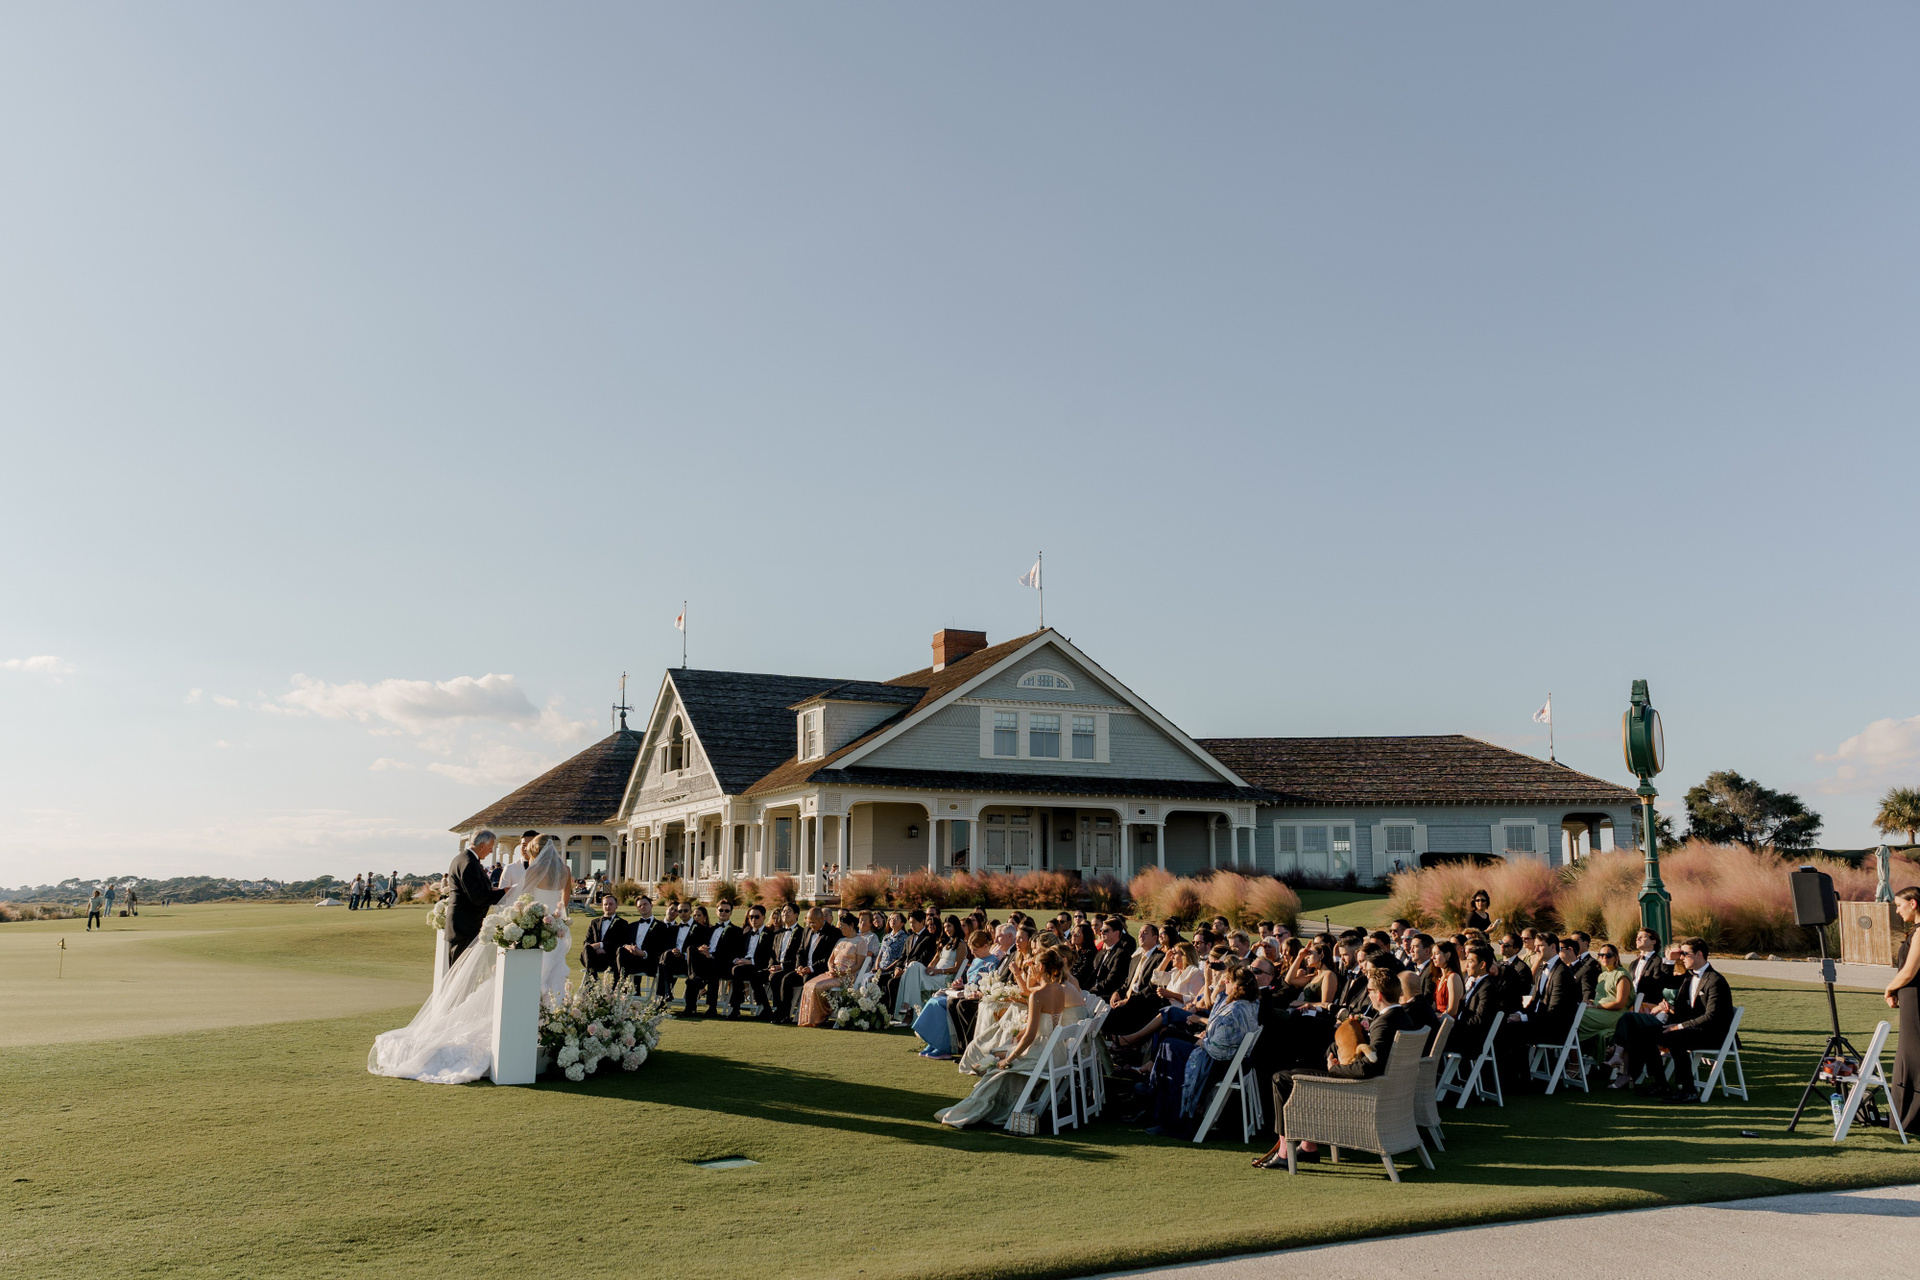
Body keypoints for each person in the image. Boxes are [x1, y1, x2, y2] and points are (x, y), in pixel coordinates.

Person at [369, 835, 570, 1083]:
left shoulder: (534, 871)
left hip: (535, 931)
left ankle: (525, 1026)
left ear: (536, 851)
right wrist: (556, 920)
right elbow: (563, 903)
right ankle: (548, 1027)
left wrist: (508, 910)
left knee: (529, 981)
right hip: (554, 934)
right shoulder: (565, 871)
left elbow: (520, 899)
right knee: (550, 980)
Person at [1255, 969, 1410, 1168]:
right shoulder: (1402, 1017)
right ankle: (1308, 1147)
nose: (1368, 994)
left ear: (1379, 995)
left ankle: (1284, 1153)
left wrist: (1334, 1069)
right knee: (1298, 1070)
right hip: (1380, 1088)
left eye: (1369, 990)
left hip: (1359, 1088)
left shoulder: (1384, 1023)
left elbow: (1369, 1068)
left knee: (1281, 1078)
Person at [936, 950, 1091, 1129]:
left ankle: (979, 1110)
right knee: (1000, 1057)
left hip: (1042, 1052)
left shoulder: (1038, 995)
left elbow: (1031, 1036)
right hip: (1057, 1052)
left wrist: (1009, 1059)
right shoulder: (1059, 989)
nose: (1030, 969)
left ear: (1041, 967)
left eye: (1033, 965)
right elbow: (1047, 1022)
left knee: (998, 1069)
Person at [1613, 937, 1733, 1103]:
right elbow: (1665, 982)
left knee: (1675, 1037)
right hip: (1688, 1029)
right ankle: (1660, 1083)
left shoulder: (1715, 980)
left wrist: (1680, 1026)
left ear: (1699, 954)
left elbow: (1712, 1016)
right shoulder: (1688, 976)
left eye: (1685, 954)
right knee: (1644, 1032)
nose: (1681, 957)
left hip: (1711, 1033)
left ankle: (1689, 1091)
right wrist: (1669, 960)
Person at [1495, 931, 1580, 1093]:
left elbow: (1554, 1010)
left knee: (1512, 1030)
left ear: (1553, 947)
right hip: (1542, 1022)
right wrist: (1519, 1014)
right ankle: (1509, 1078)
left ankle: (1520, 1081)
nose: (1535, 950)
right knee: (1505, 1024)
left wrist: (1523, 1018)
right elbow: (1534, 1002)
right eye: (1535, 946)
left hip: (1556, 1028)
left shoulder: (1562, 972)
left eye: (1540, 946)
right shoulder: (1544, 969)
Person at [913, 930, 998, 1059]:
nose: (972, 952)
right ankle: (934, 1042)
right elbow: (970, 981)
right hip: (965, 992)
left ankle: (945, 1046)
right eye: (971, 949)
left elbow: (988, 985)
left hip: (975, 996)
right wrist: (961, 985)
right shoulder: (976, 960)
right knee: (934, 1001)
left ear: (985, 946)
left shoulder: (993, 963)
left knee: (940, 1005)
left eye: (975, 949)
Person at [1884, 887, 1920, 1133]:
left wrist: (1889, 988)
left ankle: (1909, 1119)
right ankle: (1904, 1117)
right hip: (1911, 998)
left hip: (1916, 999)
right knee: (1909, 1054)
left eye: (1899, 905)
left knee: (1913, 1056)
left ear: (1913, 903)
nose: (1897, 910)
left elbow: (1909, 971)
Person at [797, 911, 873, 1027]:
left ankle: (821, 1016)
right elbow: (830, 960)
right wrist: (831, 968)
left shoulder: (860, 942)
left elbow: (858, 965)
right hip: (832, 973)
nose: (840, 928)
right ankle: (809, 1018)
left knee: (817, 986)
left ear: (851, 925)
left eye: (843, 925)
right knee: (808, 984)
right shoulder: (841, 940)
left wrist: (842, 973)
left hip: (847, 976)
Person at [442, 830, 506, 964]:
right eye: (490, 847)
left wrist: (492, 890)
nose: (491, 851)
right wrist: (504, 892)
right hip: (465, 926)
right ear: (482, 846)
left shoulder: (462, 858)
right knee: (460, 970)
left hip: (462, 924)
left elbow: (471, 889)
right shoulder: (469, 863)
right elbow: (478, 898)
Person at [773, 908, 842, 1024]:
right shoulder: (807, 931)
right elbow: (800, 951)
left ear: (822, 919)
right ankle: (784, 1015)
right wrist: (799, 966)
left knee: (807, 979)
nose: (810, 925)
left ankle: (810, 1017)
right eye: (809, 922)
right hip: (805, 969)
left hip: (820, 971)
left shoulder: (833, 933)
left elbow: (828, 958)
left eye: (813, 922)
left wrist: (811, 968)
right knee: (786, 979)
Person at [894, 915, 964, 1019]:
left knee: (913, 972)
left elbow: (956, 968)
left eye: (949, 926)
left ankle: (908, 1009)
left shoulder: (960, 944)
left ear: (955, 926)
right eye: (945, 927)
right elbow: (934, 961)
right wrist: (930, 968)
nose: (946, 929)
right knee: (913, 965)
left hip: (944, 978)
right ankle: (908, 1007)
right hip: (935, 974)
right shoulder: (945, 943)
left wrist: (937, 971)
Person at [684, 901, 743, 1016]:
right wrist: (702, 949)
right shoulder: (710, 929)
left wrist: (711, 956)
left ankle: (712, 1008)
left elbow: (734, 953)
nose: (723, 912)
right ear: (716, 911)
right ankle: (690, 1007)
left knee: (712, 969)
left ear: (731, 913)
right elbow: (703, 944)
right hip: (705, 961)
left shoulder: (736, 930)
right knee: (691, 949)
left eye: (726, 910)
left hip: (722, 963)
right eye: (721, 910)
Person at [726, 904, 777, 1017]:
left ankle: (736, 1007)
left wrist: (752, 961)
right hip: (745, 966)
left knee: (739, 971)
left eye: (756, 917)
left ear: (763, 917)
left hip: (760, 966)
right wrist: (737, 959)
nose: (753, 919)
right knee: (736, 969)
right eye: (751, 917)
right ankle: (765, 1008)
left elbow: (769, 956)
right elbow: (739, 951)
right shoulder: (746, 934)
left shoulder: (770, 935)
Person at [614, 895, 666, 988]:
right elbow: (624, 942)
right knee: (621, 950)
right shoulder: (631, 926)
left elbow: (661, 947)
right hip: (632, 961)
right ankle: (621, 986)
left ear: (651, 905)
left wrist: (643, 953)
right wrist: (627, 946)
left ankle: (624, 989)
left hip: (648, 962)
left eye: (645, 904)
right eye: (639, 906)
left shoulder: (661, 926)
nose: (642, 907)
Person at [581, 895, 629, 977]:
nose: (608, 906)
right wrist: (596, 949)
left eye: (611, 904)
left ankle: (592, 980)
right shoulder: (594, 922)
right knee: (586, 947)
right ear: (602, 906)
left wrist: (601, 945)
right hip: (593, 957)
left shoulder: (622, 923)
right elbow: (587, 941)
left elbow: (620, 943)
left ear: (616, 906)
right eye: (605, 904)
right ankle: (594, 978)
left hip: (610, 959)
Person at [1431, 942, 1464, 1021]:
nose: (1432, 957)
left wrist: (1436, 1019)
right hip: (1438, 1017)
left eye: (1436, 954)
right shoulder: (1440, 977)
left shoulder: (1453, 977)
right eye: (1432, 954)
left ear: (1448, 955)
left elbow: (1452, 1010)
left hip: (1447, 1022)